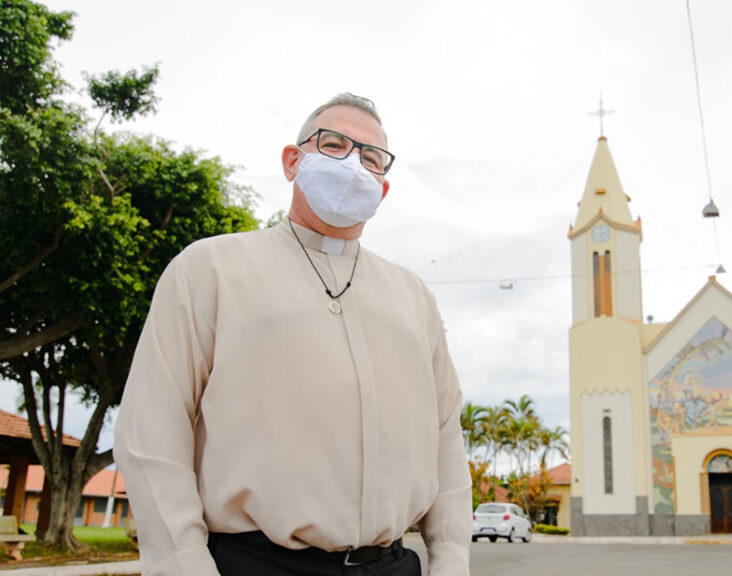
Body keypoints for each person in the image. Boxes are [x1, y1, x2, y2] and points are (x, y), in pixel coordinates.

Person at [114, 93, 472, 576]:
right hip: (253, 564)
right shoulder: (210, 269)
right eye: (334, 145)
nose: (353, 164)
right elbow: (152, 430)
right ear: (292, 161)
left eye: (371, 158)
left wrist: (451, 560)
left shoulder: (414, 297)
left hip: (391, 565)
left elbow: (445, 438)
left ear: (382, 189)